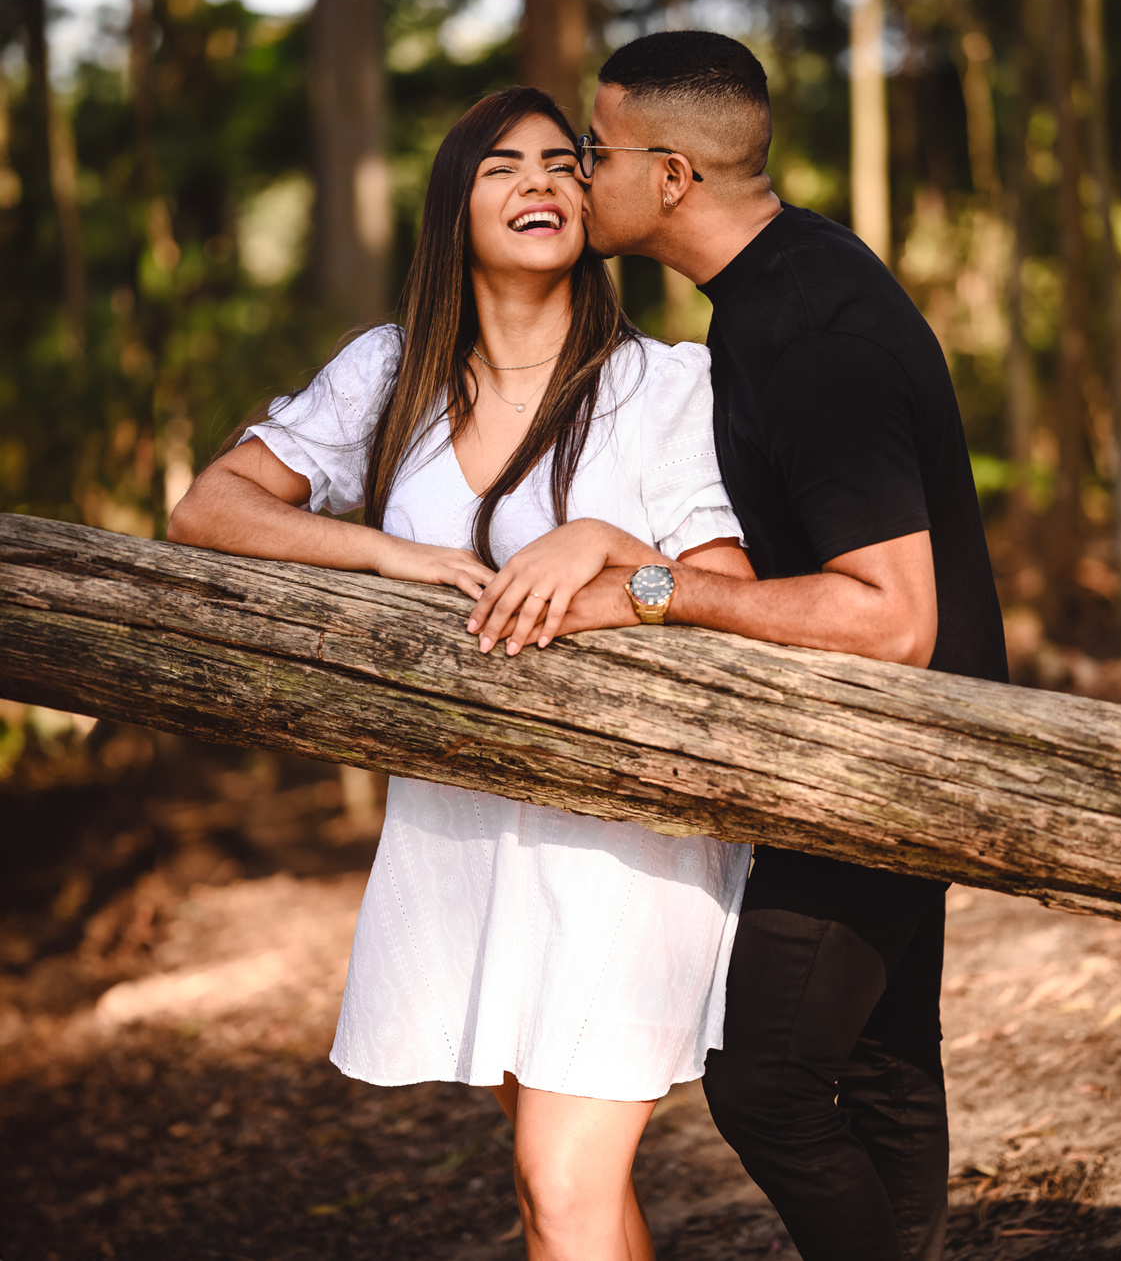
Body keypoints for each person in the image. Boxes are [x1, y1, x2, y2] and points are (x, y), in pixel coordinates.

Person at [167, 85, 754, 1261]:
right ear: (452, 208)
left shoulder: (659, 384)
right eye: (501, 167)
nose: (539, 182)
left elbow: (725, 588)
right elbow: (209, 509)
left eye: (560, 163)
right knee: (559, 1192)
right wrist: (382, 544)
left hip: (623, 834)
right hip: (459, 824)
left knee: (563, 1180)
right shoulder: (390, 373)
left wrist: (602, 541)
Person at [469, 34, 1009, 1261]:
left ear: (667, 176)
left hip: (894, 759)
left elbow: (890, 615)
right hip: (890, 749)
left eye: (594, 153)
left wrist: (648, 589)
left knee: (764, 1082)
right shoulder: (787, 287)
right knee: (879, 1063)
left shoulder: (809, 326)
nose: (576, 174)